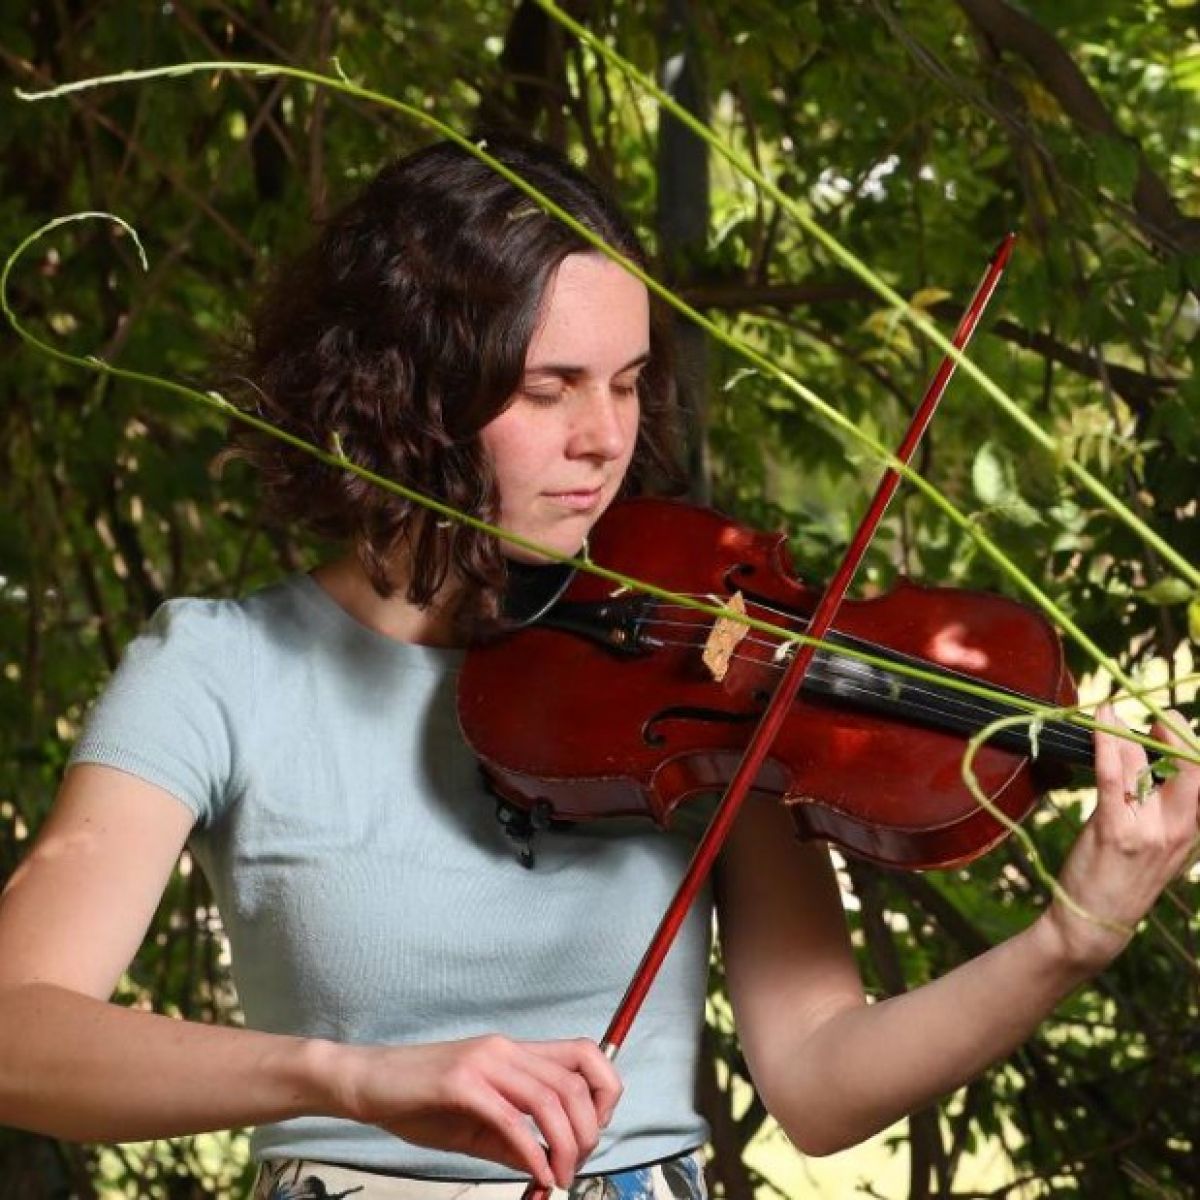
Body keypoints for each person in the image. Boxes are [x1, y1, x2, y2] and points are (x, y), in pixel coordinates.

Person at [0, 135, 1197, 1200]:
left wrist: (1067, 941)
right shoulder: (219, 670)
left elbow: (822, 1081)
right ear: (401, 392)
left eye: (625, 384)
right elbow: (14, 1037)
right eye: (546, 388)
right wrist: (348, 1078)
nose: (605, 441)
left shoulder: (709, 668)